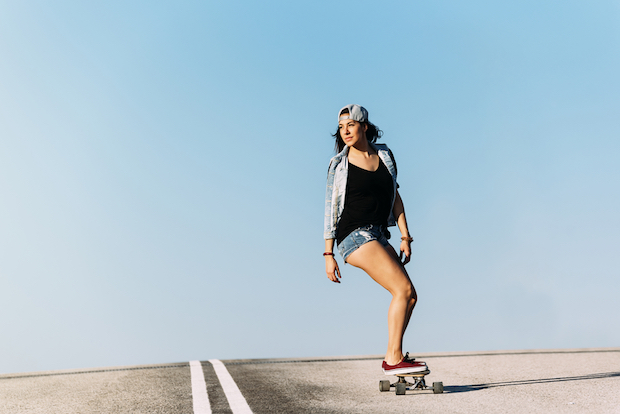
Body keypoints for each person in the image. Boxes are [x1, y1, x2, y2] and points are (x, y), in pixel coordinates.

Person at [323, 104, 427, 375]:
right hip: (354, 235)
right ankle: (394, 359)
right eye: (341, 127)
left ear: (364, 127)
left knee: (411, 296)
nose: (345, 131)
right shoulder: (339, 164)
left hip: (378, 233)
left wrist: (405, 236)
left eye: (351, 125)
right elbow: (330, 208)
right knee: (401, 290)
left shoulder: (385, 154)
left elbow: (395, 197)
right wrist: (328, 253)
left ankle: (393, 356)